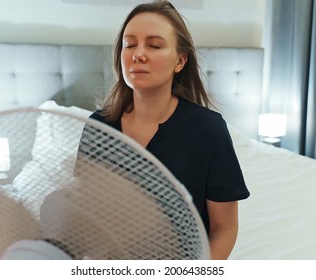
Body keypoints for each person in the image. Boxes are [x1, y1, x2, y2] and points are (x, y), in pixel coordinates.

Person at [79, 0, 250, 260]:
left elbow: (224, 228)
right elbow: (82, 213)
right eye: (130, 44)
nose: (138, 54)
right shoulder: (99, 127)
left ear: (180, 61)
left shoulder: (208, 130)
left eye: (154, 45)